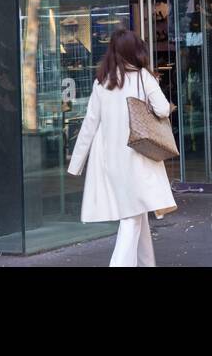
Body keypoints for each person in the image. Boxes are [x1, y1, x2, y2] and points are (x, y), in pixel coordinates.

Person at [67, 28, 176, 267]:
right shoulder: (142, 77)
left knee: (138, 212)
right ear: (135, 50)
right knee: (132, 217)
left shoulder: (101, 83)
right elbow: (162, 109)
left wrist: (76, 164)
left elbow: (89, 125)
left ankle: (147, 264)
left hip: (110, 160)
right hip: (138, 155)